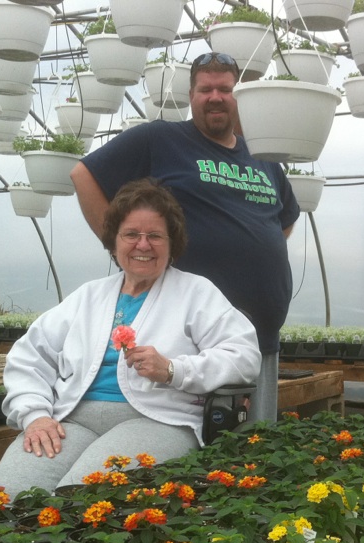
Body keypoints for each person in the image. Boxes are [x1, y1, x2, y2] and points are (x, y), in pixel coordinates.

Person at [0, 180, 261, 499]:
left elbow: (244, 355)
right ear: (114, 241)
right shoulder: (89, 296)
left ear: (172, 243)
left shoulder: (195, 293)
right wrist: (35, 415)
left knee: (80, 498)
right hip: (72, 420)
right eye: (131, 234)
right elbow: (29, 357)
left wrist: (173, 370)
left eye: (155, 236)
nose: (142, 245)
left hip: (158, 420)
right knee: (8, 497)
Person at [70, 51, 300, 424]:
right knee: (188, 451)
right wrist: (120, 246)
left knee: (256, 452)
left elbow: (285, 219)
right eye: (205, 89)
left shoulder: (263, 156)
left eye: (225, 89)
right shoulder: (162, 138)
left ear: (237, 96)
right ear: (191, 96)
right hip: (188, 340)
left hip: (259, 337)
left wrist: (257, 248)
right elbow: (84, 175)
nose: (215, 97)